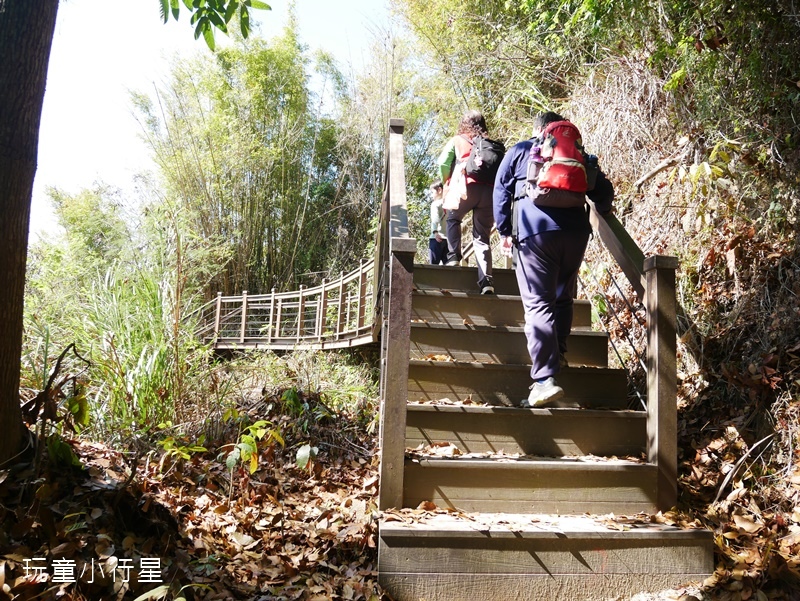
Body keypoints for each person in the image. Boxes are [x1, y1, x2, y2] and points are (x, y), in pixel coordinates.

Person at [493, 111, 614, 407]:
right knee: (561, 299)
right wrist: (605, 207)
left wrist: (505, 230)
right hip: (575, 235)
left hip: (535, 235)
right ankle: (557, 354)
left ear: (537, 130)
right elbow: (603, 190)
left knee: (538, 303)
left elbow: (500, 191)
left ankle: (545, 379)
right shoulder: (578, 155)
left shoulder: (522, 150)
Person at [437, 110, 495, 294]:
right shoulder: (488, 143)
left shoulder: (458, 140)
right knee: (481, 238)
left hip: (465, 187)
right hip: (488, 192)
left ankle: (454, 255)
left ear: (464, 123)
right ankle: (486, 281)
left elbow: (443, 163)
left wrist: (446, 182)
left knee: (453, 216)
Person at [428, 181, 448, 265]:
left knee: (433, 266)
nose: (431, 196)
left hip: (436, 238)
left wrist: (435, 232)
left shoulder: (435, 204)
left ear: (439, 190)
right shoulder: (451, 203)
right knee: (449, 267)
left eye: (432, 192)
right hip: (448, 240)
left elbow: (435, 219)